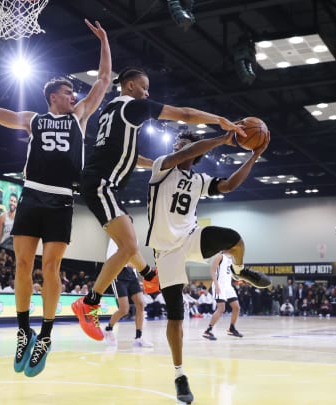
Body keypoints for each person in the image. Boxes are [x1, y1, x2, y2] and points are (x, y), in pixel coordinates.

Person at [0, 18, 112, 377]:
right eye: (68, 93)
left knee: (50, 268)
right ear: (53, 97)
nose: (74, 97)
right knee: (21, 265)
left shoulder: (80, 116)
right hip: (32, 196)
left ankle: (46, 335)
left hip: (62, 199)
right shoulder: (33, 119)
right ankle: (23, 330)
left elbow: (104, 81)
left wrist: (105, 41)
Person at [71, 66, 246, 342]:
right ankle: (89, 303)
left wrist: (151, 163)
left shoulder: (110, 110)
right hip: (101, 184)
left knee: (129, 238)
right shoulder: (133, 108)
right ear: (129, 86)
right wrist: (220, 120)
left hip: (103, 183)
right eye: (144, 87)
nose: (147, 93)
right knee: (128, 245)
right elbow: (185, 114)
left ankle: (149, 274)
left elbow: (127, 153)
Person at [144, 129, 272, 403]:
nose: (178, 145)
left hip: (190, 237)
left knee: (234, 240)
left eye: (184, 143)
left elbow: (228, 186)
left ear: (198, 152)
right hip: (165, 250)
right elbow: (185, 154)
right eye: (178, 143)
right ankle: (180, 375)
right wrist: (223, 138)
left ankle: (239, 271)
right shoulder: (162, 167)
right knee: (176, 315)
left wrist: (254, 155)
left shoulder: (199, 180)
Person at [103, 239, 153, 347]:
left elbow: (135, 255)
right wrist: (127, 262)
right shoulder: (115, 235)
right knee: (124, 309)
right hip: (118, 273)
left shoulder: (134, 238)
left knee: (140, 304)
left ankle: (138, 337)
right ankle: (108, 329)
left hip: (132, 275)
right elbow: (111, 257)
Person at [202, 252, 243, 340]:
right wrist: (216, 285)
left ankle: (231, 328)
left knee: (236, 307)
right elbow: (212, 270)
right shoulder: (220, 256)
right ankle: (208, 331)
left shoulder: (232, 258)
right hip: (219, 285)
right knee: (221, 309)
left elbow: (231, 273)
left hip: (228, 286)